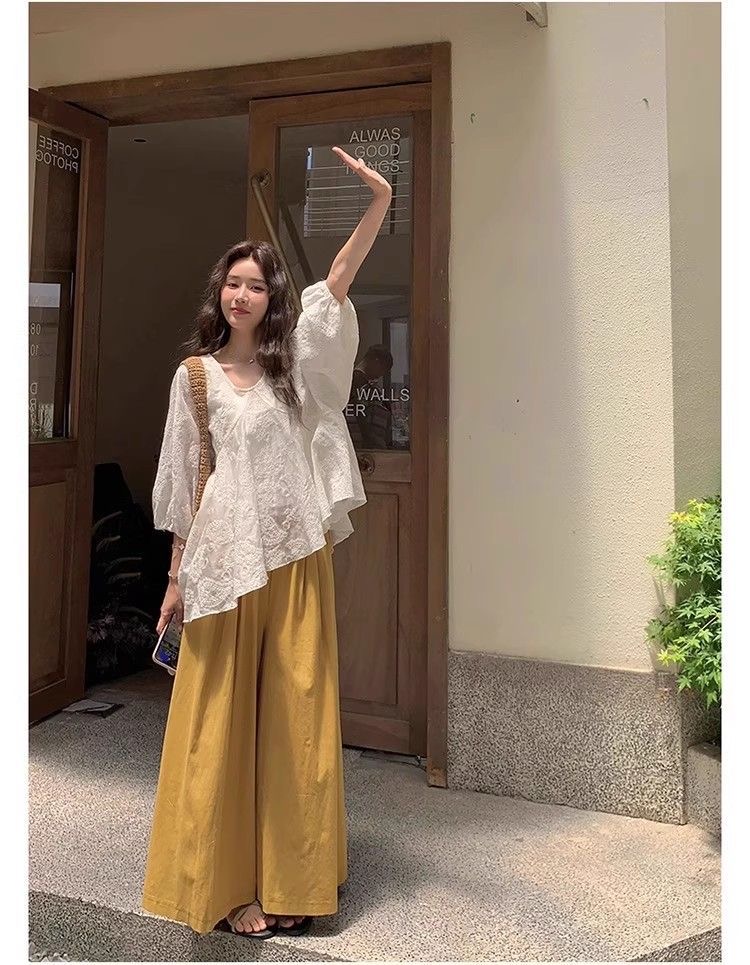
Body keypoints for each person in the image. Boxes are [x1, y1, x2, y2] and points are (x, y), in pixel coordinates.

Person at [140, 146, 393, 940]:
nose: (243, 293)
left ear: (272, 298)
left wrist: (379, 201)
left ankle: (293, 880)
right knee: (217, 723)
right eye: (234, 281)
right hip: (222, 562)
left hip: (293, 558)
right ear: (220, 293)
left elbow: (337, 282)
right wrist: (175, 578)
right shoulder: (195, 378)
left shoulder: (295, 370)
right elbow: (184, 484)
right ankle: (219, 885)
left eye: (257, 283)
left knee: (296, 719)